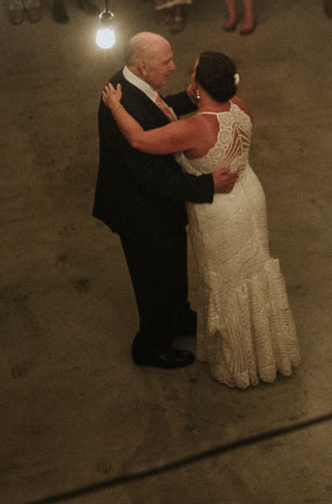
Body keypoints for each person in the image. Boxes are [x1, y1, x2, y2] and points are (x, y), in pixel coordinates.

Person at [102, 51, 298, 388]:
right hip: (249, 196)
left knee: (227, 280)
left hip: (219, 208)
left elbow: (139, 140)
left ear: (199, 85)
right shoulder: (241, 107)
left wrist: (116, 106)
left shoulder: (195, 128)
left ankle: (239, 363)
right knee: (253, 271)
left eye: (192, 73)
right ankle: (265, 349)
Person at [93, 34, 235, 369]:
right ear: (142, 66)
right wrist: (205, 186)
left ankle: (179, 316)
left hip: (158, 208)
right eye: (166, 62)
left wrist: (184, 101)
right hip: (140, 212)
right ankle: (151, 346)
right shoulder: (121, 104)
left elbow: (159, 110)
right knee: (153, 280)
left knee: (172, 267)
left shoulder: (132, 84)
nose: (173, 67)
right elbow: (148, 174)